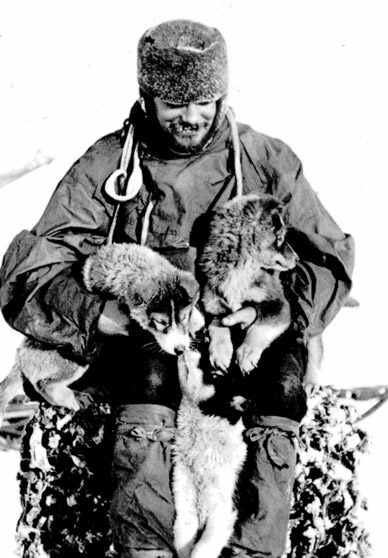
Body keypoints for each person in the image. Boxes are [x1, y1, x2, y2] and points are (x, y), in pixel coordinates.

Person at [0, 19, 354, 558]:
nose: (191, 115)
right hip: (151, 337)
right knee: (148, 376)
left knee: (281, 387)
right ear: (147, 96)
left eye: (205, 100)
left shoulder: (266, 160)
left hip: (240, 338)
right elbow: (31, 271)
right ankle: (147, 549)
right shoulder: (105, 167)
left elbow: (326, 257)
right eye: (174, 102)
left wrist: (270, 317)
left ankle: (255, 550)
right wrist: (101, 315)